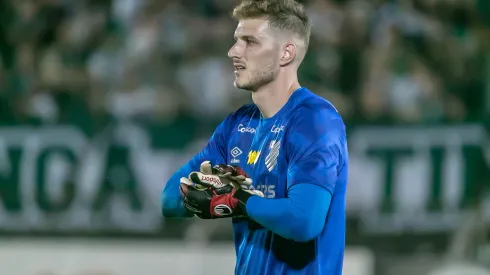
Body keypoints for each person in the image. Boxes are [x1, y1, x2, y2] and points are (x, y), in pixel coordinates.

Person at [161, 0, 348, 274]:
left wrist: (239, 200)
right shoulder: (237, 125)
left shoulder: (314, 119)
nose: (233, 51)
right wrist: (207, 190)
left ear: (286, 53)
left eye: (250, 42)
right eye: (236, 40)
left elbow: (304, 221)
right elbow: (168, 199)